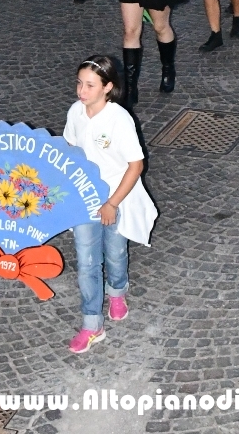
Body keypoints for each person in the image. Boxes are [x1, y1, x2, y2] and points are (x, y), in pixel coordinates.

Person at [63, 55, 158, 354]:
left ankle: (117, 290)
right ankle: (92, 323)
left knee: (115, 253)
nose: (82, 91)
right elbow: (69, 148)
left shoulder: (119, 119)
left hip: (117, 196)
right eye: (79, 83)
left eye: (90, 85)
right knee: (87, 262)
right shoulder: (75, 113)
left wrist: (112, 203)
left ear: (107, 87)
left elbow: (136, 165)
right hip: (84, 198)